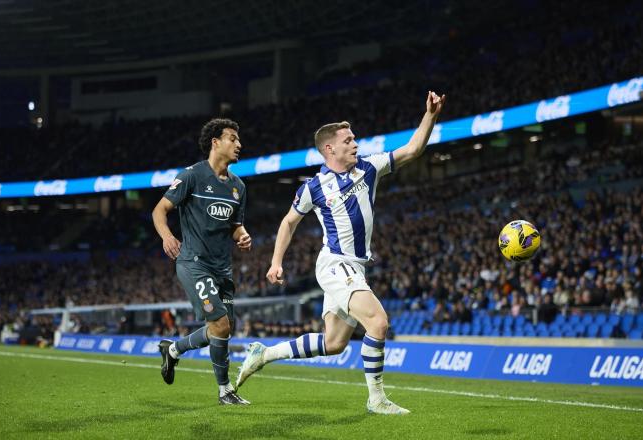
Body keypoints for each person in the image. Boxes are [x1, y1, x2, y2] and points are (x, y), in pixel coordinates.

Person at [236, 91, 446, 414]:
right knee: (378, 322)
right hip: (335, 264)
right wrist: (276, 262)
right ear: (329, 149)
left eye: (355, 138)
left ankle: (262, 354)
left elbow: (413, 149)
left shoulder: (369, 168)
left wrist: (430, 115)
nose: (355, 144)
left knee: (334, 344)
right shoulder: (314, 188)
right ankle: (377, 400)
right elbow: (289, 222)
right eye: (348, 140)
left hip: (356, 267)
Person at [152, 118, 252, 405]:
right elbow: (160, 210)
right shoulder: (192, 176)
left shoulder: (238, 187)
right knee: (220, 324)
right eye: (232, 138)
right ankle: (225, 390)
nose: (238, 144)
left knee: (221, 329)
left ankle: (172, 350)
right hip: (194, 262)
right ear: (215, 142)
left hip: (223, 266)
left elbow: (235, 224)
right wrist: (167, 237)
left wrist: (242, 235)